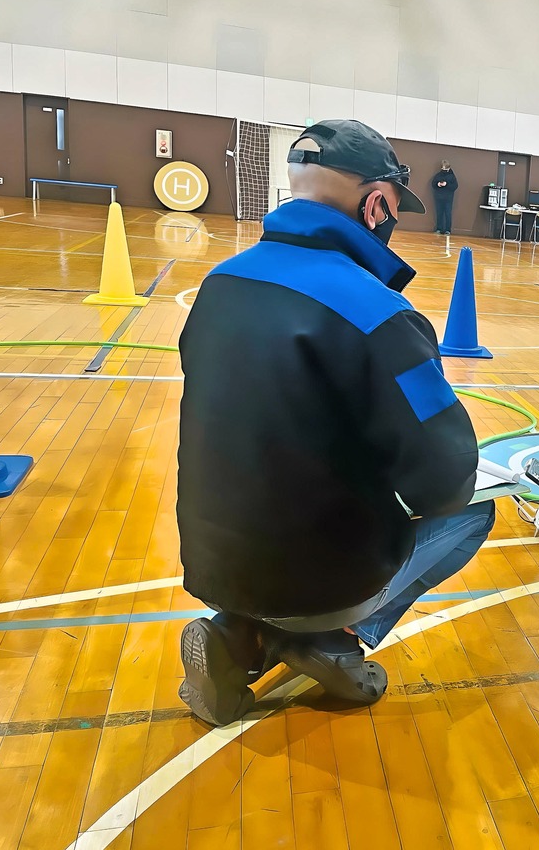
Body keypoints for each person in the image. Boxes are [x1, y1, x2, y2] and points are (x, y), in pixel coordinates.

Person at [176, 120, 495, 727]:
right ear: (376, 203)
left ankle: (237, 636)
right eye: (395, 205)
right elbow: (446, 478)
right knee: (472, 512)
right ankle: (332, 637)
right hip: (316, 571)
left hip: (210, 554)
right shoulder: (377, 312)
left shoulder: (219, 284)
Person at [430, 159, 458, 235]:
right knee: (439, 213)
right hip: (439, 197)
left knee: (448, 213)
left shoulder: (452, 176)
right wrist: (438, 184)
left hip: (448, 198)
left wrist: (447, 184)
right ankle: (439, 228)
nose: (444, 170)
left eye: (446, 169)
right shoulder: (438, 175)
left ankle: (448, 230)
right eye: (443, 169)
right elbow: (433, 184)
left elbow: (455, 186)